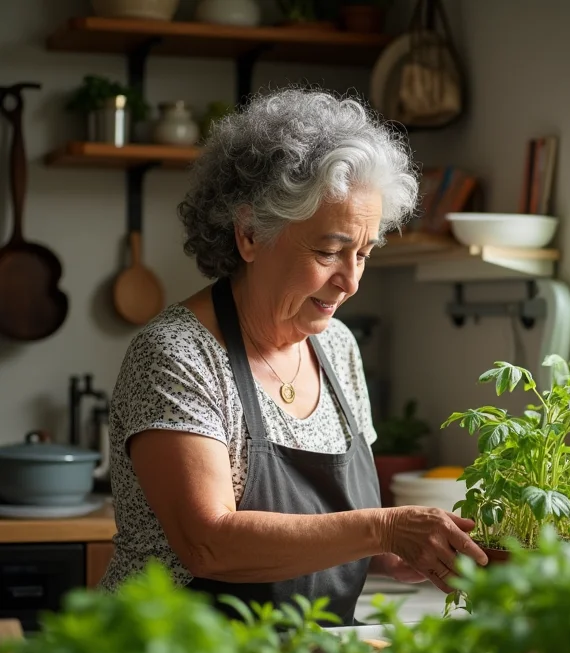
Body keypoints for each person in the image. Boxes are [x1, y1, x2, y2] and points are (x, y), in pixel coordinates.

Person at [100, 88, 488, 624]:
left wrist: (398, 551)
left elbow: (341, 527)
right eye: (328, 251)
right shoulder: (176, 355)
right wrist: (384, 529)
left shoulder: (337, 346)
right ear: (249, 235)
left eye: (363, 253)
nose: (351, 281)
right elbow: (207, 543)